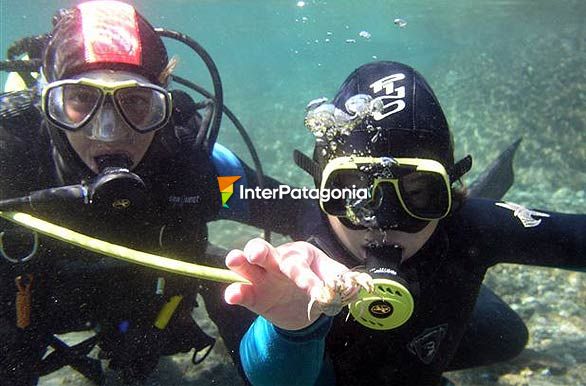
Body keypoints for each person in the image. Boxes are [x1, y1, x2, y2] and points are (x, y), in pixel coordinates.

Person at [0, 1, 312, 384]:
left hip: (144, 311)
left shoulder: (195, 170)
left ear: (162, 103)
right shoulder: (8, 161)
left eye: (135, 101)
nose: (109, 131)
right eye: (81, 98)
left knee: (239, 280)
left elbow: (296, 209)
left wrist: (323, 270)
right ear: (48, 102)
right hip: (25, 310)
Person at [224, 61, 586, 386]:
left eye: (418, 194)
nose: (381, 223)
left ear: (448, 189)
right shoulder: (303, 220)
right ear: (322, 187)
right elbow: (228, 186)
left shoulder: (468, 226)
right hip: (321, 370)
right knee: (235, 293)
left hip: (427, 341)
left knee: (507, 336)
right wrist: (289, 328)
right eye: (355, 192)